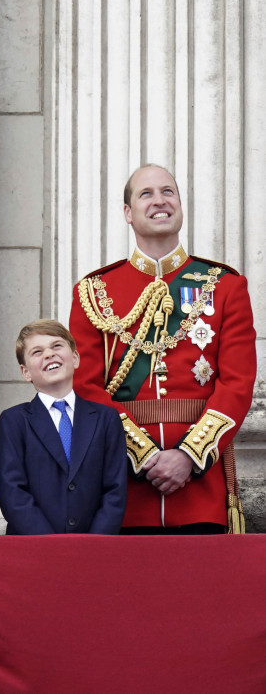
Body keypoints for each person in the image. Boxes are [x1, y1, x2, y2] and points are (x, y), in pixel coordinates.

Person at [68, 165, 256, 534]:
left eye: (168, 191)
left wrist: (188, 455)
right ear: (128, 213)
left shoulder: (225, 286)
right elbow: (84, 385)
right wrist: (144, 455)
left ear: (181, 206)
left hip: (200, 486)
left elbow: (237, 384)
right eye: (146, 193)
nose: (160, 201)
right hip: (122, 487)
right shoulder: (93, 291)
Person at [0, 321, 127, 535]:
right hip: (34, 549)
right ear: (25, 372)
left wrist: (95, 543)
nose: (49, 354)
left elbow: (115, 489)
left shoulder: (105, 418)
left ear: (75, 358)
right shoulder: (14, 421)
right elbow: (12, 491)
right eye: (37, 351)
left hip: (94, 549)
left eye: (56, 346)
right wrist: (51, 546)